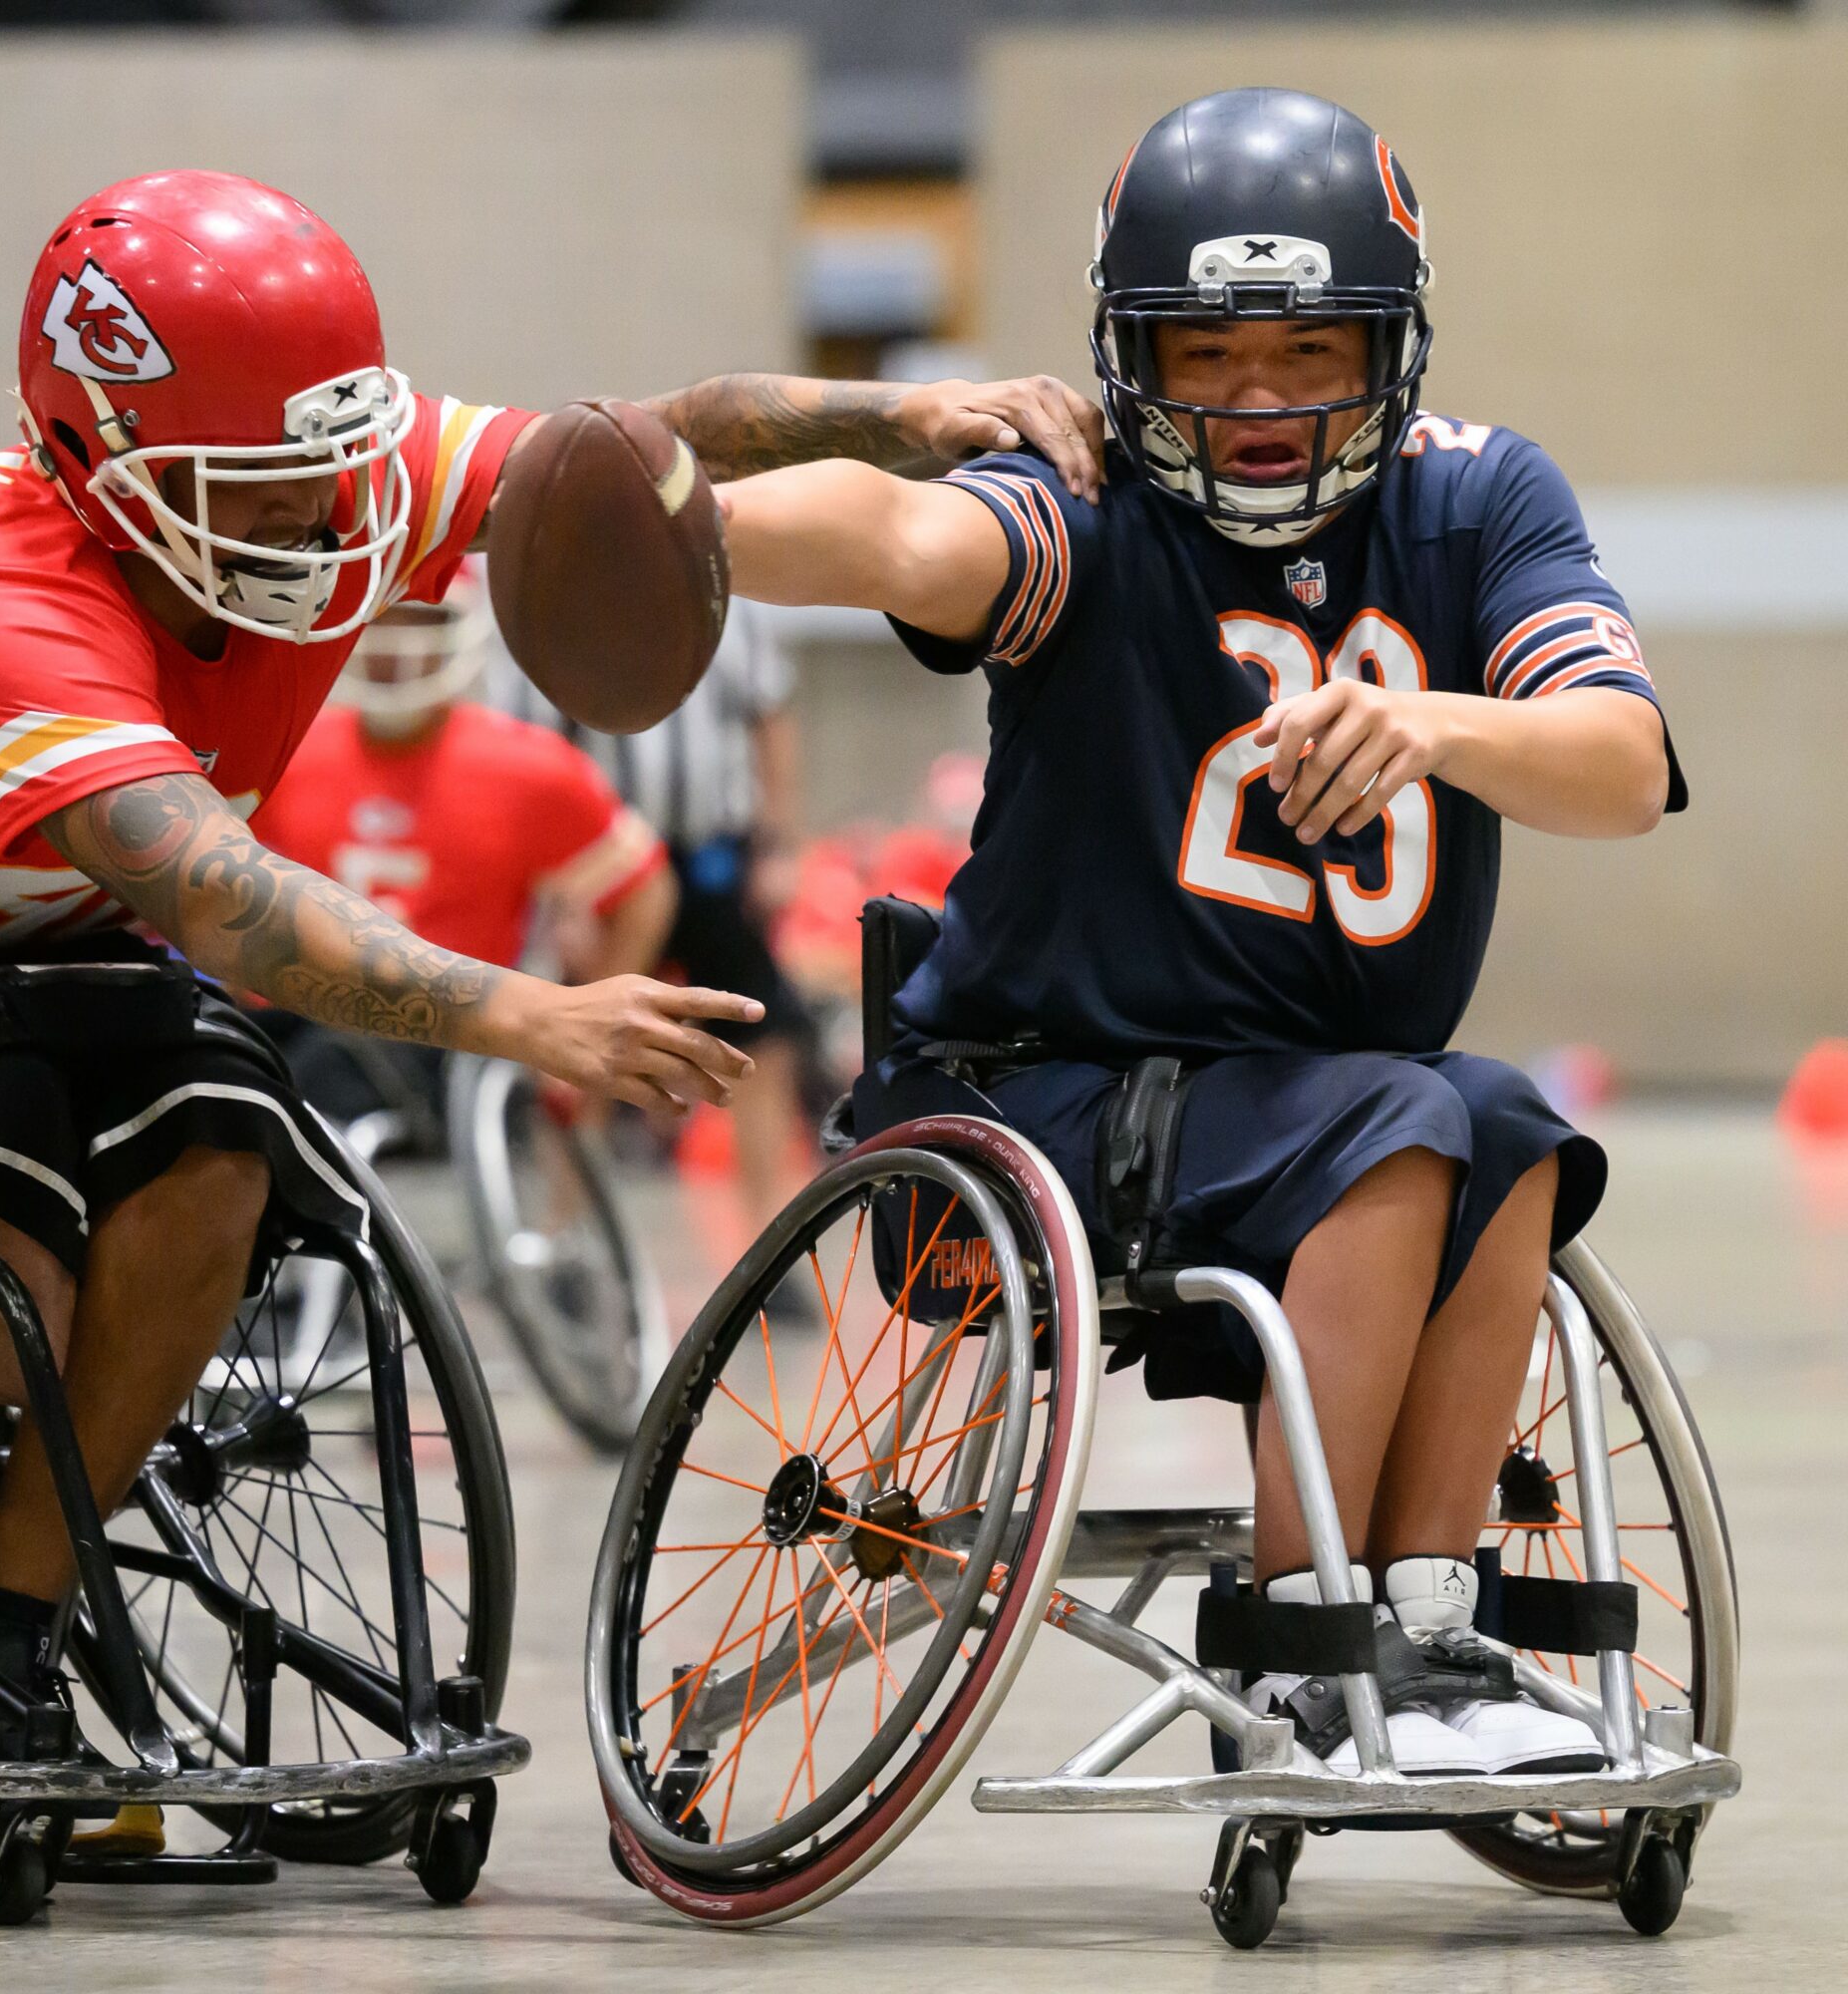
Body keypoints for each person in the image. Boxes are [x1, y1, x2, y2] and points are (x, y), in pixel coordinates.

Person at [0, 167, 1106, 1819]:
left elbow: (629, 451)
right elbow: (228, 905)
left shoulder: (325, 467)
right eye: (259, 488)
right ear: (103, 467)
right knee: (9, 1189)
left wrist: (904, 410)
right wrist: (533, 1015)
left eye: (327, 467)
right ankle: (38, 1567)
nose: (319, 515)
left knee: (223, 1138)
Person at [716, 91, 1681, 1777]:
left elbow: (1621, 762)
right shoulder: (1075, 501)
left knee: (1507, 1120)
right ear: (1123, 357)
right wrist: (693, 532)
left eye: (1310, 351)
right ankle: (1312, 1644)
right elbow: (903, 537)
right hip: (1052, 1097)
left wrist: (1441, 728)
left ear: (1393, 349)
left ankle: (1433, 1628)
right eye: (1202, 353)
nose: (1254, 402)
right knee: (1397, 1115)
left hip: (1293, 1105)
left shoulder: (1479, 502)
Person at [257, 559, 676, 1133]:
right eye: (381, 621)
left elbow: (645, 887)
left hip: (447, 1032)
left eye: (418, 622)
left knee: (307, 1078)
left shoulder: (527, 767)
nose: (395, 645)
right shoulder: (286, 748)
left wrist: (586, 1021)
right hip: (294, 1019)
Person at [484, 596, 818, 1232]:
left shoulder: (727, 601)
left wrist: (778, 844)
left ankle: (768, 1240)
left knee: (765, 1040)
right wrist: (560, 889)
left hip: (712, 860)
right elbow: (528, 753)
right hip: (604, 870)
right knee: (580, 1038)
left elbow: (769, 717)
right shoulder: (557, 604)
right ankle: (567, 1233)